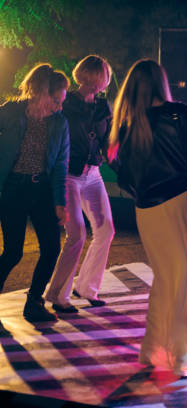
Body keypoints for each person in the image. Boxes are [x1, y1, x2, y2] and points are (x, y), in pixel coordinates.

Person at [107, 59, 187, 377]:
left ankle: (159, 349)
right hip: (181, 204)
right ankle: (186, 354)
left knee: (169, 279)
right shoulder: (178, 114)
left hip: (147, 212)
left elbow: (121, 173)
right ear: (161, 82)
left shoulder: (125, 126)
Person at [0, 64, 70, 323]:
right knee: (13, 252)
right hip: (14, 188)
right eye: (56, 100)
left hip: (41, 189)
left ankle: (34, 303)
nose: (59, 106)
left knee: (52, 247)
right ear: (41, 92)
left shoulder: (60, 123)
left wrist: (60, 202)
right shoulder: (11, 112)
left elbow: (61, 164)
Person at [45, 55, 114, 313]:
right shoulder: (68, 103)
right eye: (97, 75)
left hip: (93, 173)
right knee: (77, 234)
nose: (100, 81)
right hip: (69, 174)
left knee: (106, 229)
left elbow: (107, 138)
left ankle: (87, 288)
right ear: (84, 75)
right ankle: (57, 294)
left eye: (103, 76)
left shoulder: (103, 106)